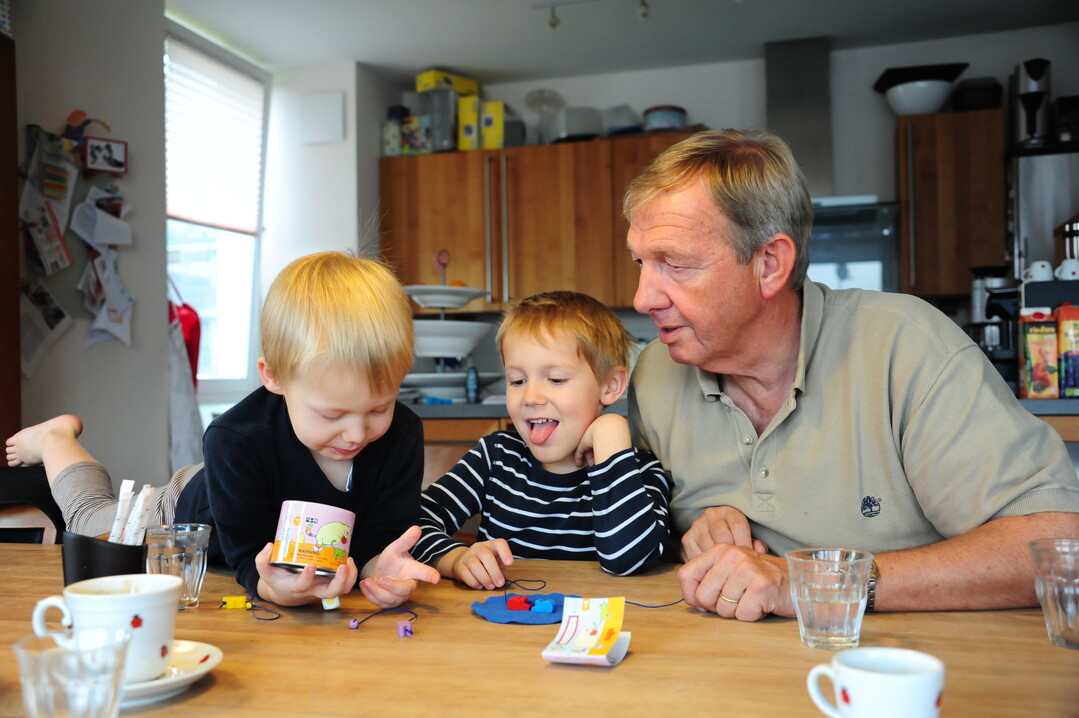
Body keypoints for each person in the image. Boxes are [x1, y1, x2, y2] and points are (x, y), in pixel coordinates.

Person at [623, 129, 1079, 621]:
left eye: (675, 264)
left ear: (770, 265)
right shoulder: (655, 375)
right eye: (642, 263)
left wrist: (816, 582)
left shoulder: (905, 345)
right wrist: (691, 530)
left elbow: (1056, 542)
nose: (642, 298)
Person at [6, 251, 439, 608]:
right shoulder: (235, 440)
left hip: (251, 504)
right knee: (90, 523)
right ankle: (55, 438)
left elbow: (378, 540)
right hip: (189, 510)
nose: (356, 433)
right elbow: (248, 560)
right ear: (274, 378)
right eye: (331, 416)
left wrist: (380, 568)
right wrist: (274, 588)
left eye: (379, 408)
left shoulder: (401, 435)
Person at [411, 291, 672, 589]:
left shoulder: (639, 471)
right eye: (517, 381)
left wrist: (611, 431)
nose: (531, 397)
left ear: (610, 386)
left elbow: (629, 559)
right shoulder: (496, 457)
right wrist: (455, 559)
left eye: (556, 379)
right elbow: (411, 524)